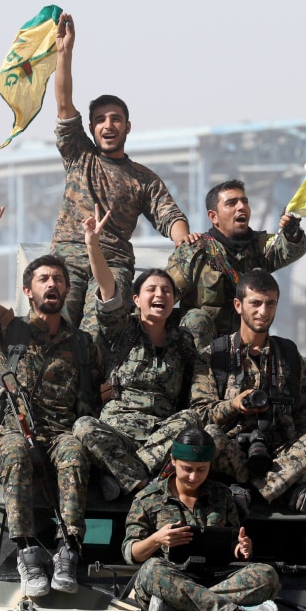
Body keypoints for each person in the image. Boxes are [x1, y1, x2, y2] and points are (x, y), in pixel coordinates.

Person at [50, 12, 198, 342]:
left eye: (116, 119)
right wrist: (65, 53)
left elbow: (169, 214)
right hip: (68, 261)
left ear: (127, 126)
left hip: (112, 264)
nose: (108, 125)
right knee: (52, 329)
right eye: (100, 119)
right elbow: (63, 104)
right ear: (91, 128)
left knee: (96, 336)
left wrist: (183, 237)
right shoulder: (79, 155)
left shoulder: (142, 178)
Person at [0, 201, 103, 598]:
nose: (51, 285)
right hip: (9, 436)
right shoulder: (9, 329)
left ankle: (68, 550)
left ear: (67, 289)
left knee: (73, 451)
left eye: (58, 279)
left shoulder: (83, 344)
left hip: (58, 436)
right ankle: (27, 552)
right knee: (16, 451)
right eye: (43, 279)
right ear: (27, 289)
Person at [73, 206, 203, 500]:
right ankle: (145, 486)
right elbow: (107, 289)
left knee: (192, 420)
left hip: (160, 436)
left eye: (167, 291)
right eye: (152, 290)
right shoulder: (123, 329)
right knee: (83, 427)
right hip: (116, 434)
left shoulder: (182, 340)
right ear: (136, 299)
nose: (160, 295)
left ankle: (127, 477)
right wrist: (93, 245)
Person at [190, 269, 306, 512]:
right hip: (231, 451)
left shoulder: (289, 355)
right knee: (209, 435)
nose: (263, 312)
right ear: (238, 305)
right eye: (255, 303)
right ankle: (282, 486)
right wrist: (233, 405)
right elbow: (199, 415)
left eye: (270, 304)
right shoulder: (214, 355)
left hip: (279, 452)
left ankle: (248, 490)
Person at [122, 427, 281, 611]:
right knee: (151, 569)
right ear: (173, 460)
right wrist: (157, 539)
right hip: (172, 578)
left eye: (201, 470)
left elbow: (231, 543)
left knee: (266, 575)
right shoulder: (148, 499)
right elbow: (131, 553)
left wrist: (240, 548)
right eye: (187, 469)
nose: (193, 477)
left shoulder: (222, 495)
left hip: (214, 578)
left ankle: (176, 606)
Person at [166, 179, 306, 351]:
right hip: (202, 356)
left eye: (244, 201)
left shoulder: (260, 245)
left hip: (244, 348)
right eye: (231, 203)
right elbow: (163, 296)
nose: (241, 207)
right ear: (213, 216)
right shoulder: (195, 251)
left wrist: (291, 232)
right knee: (197, 318)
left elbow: (288, 250)